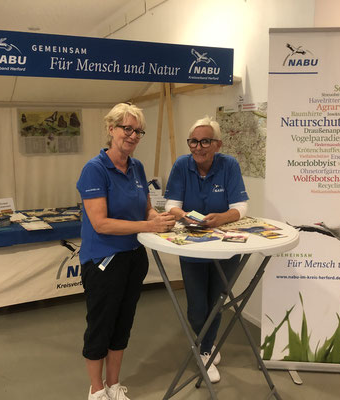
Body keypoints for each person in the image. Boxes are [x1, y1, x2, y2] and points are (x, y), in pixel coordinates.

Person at [77, 103, 175, 400]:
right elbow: (101, 223)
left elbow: (145, 208)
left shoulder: (137, 167)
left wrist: (158, 218)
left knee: (123, 325)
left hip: (134, 257)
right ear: (111, 130)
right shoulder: (95, 170)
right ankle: (96, 390)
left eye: (138, 131)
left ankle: (113, 385)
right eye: (127, 129)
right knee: (101, 326)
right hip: (104, 261)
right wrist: (146, 225)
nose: (132, 136)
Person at [164, 116, 249, 383]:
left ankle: (205, 350)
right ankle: (206, 346)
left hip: (224, 247)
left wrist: (222, 217)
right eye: (193, 141)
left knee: (217, 301)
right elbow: (170, 204)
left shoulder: (229, 165)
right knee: (197, 306)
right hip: (193, 247)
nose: (198, 147)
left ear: (217, 144)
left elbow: (241, 207)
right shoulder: (181, 165)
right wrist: (182, 215)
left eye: (205, 141)